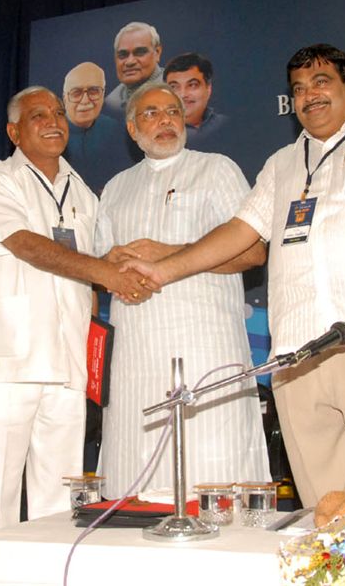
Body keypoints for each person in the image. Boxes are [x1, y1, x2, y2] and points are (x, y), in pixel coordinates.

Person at [123, 44, 345, 508]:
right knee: (328, 514)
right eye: (298, 89)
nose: (309, 96)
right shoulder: (282, 164)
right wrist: (162, 269)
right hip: (298, 357)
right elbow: (240, 232)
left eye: (322, 83)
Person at [0, 86, 152, 535]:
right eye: (38, 115)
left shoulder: (84, 193)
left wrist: (125, 266)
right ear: (13, 131)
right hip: (6, 363)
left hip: (68, 364)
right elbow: (27, 245)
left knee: (58, 500)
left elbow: (97, 265)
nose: (53, 121)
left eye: (59, 113)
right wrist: (107, 273)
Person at [95, 81, 268, 498]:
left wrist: (168, 255)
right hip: (136, 351)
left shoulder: (216, 168)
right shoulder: (115, 187)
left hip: (207, 346)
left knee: (213, 471)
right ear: (133, 129)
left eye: (173, 111)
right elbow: (100, 266)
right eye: (151, 114)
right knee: (136, 473)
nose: (165, 120)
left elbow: (253, 253)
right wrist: (114, 266)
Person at [61, 61, 134, 194]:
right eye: (76, 93)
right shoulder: (52, 133)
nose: (85, 100)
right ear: (65, 98)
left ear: (103, 93)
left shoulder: (114, 129)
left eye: (93, 91)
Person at [164, 52, 228, 149]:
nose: (183, 95)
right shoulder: (159, 133)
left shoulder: (225, 124)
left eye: (192, 85)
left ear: (208, 89)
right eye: (174, 87)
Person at [103, 22, 164, 118]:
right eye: (123, 55)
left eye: (139, 53)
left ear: (157, 53)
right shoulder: (111, 102)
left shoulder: (176, 90)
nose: (130, 62)